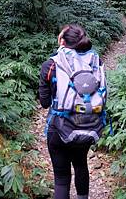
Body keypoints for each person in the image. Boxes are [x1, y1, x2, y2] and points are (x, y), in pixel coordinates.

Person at [39, 24, 106, 199]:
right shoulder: (95, 62)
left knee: (61, 178)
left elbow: (45, 103)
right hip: (88, 125)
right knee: (81, 165)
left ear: (62, 41)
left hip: (59, 128)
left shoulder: (51, 65)